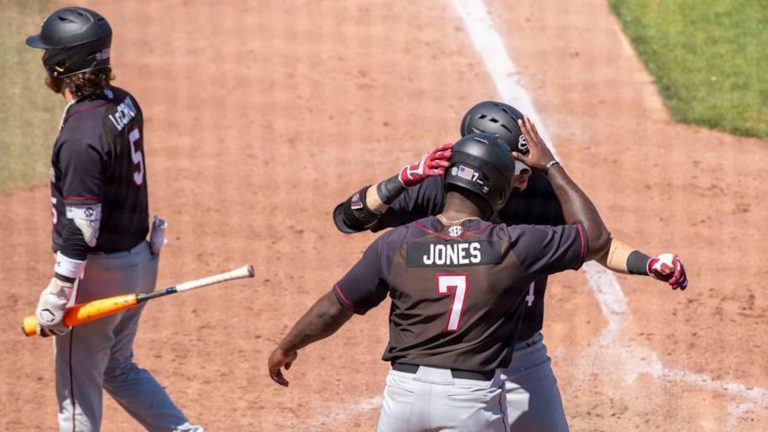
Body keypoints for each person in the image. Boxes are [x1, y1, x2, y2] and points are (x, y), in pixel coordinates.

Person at [331, 101, 687, 431]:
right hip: (457, 361)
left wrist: (649, 263)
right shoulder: (443, 192)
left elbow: (599, 246)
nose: (525, 177)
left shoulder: (543, 195)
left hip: (522, 355)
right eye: (518, 168)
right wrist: (402, 179)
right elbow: (349, 218)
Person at [268, 121, 618, 431]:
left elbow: (333, 307)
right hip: (472, 401)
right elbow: (595, 237)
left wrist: (288, 345)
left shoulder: (396, 244)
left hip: (404, 398)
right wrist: (551, 166)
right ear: (499, 188)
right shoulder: (515, 245)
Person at [26, 7, 202, 432]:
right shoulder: (122, 102)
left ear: (58, 64)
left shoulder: (80, 138)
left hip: (97, 274)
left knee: (75, 397)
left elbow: (83, 225)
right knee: (117, 368)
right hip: (139, 261)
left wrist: (59, 290)